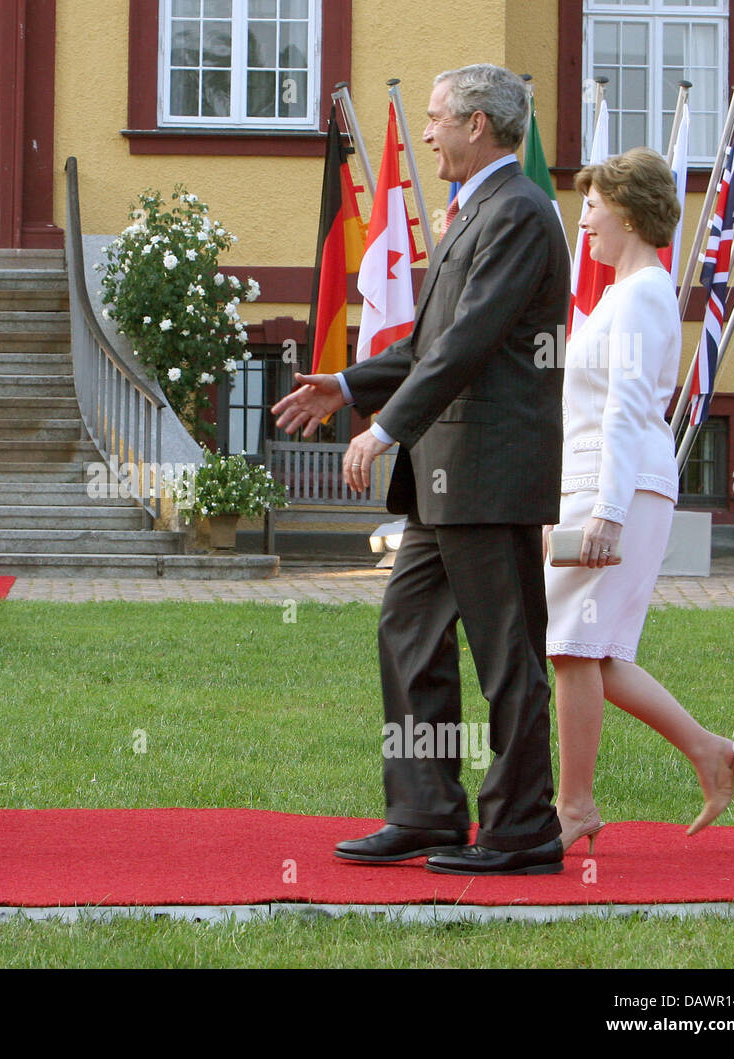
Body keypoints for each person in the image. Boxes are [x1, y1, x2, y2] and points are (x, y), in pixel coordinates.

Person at [272, 64, 569, 875]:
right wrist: (345, 386)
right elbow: (429, 343)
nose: (429, 133)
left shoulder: (518, 211)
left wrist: (387, 425)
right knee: (409, 635)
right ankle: (428, 810)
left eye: (439, 119)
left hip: (490, 473)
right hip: (447, 477)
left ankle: (523, 829)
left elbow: (468, 342)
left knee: (505, 653)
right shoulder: (480, 211)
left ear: (479, 124)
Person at [546, 147, 734, 852]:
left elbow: (625, 408)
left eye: (594, 206)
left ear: (631, 211)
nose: (585, 223)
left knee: (575, 647)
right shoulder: (625, 292)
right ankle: (707, 750)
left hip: (618, 486)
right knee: (593, 652)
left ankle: (574, 805)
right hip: (617, 482)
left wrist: (604, 510)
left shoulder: (640, 294)